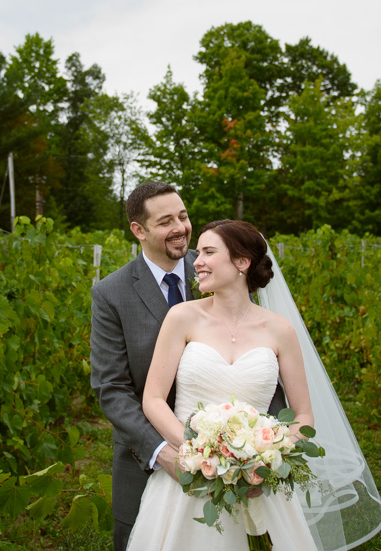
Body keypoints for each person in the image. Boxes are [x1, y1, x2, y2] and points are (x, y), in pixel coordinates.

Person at [126, 220, 381, 550]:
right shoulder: (182, 317)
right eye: (199, 252)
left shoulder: (280, 331)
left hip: (257, 481)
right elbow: (152, 400)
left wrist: (267, 459)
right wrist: (203, 453)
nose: (197, 261)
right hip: (189, 475)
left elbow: (303, 416)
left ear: (241, 262)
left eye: (208, 252)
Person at [90, 183, 287, 550]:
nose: (181, 227)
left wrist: (265, 449)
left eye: (183, 216)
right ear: (139, 230)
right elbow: (111, 388)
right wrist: (162, 452)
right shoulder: (111, 294)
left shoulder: (220, 264)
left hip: (244, 460)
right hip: (147, 459)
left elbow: (262, 364)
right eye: (166, 221)